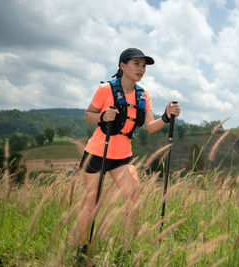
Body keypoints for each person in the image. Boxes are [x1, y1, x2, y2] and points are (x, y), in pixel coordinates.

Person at [76, 48, 180, 262]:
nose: (141, 69)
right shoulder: (106, 89)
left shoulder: (144, 94)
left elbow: (150, 126)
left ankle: (124, 252)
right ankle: (82, 249)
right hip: (97, 153)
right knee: (91, 203)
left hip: (122, 157)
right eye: (136, 64)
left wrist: (167, 117)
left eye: (143, 65)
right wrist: (103, 116)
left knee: (134, 199)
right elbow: (88, 115)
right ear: (122, 65)